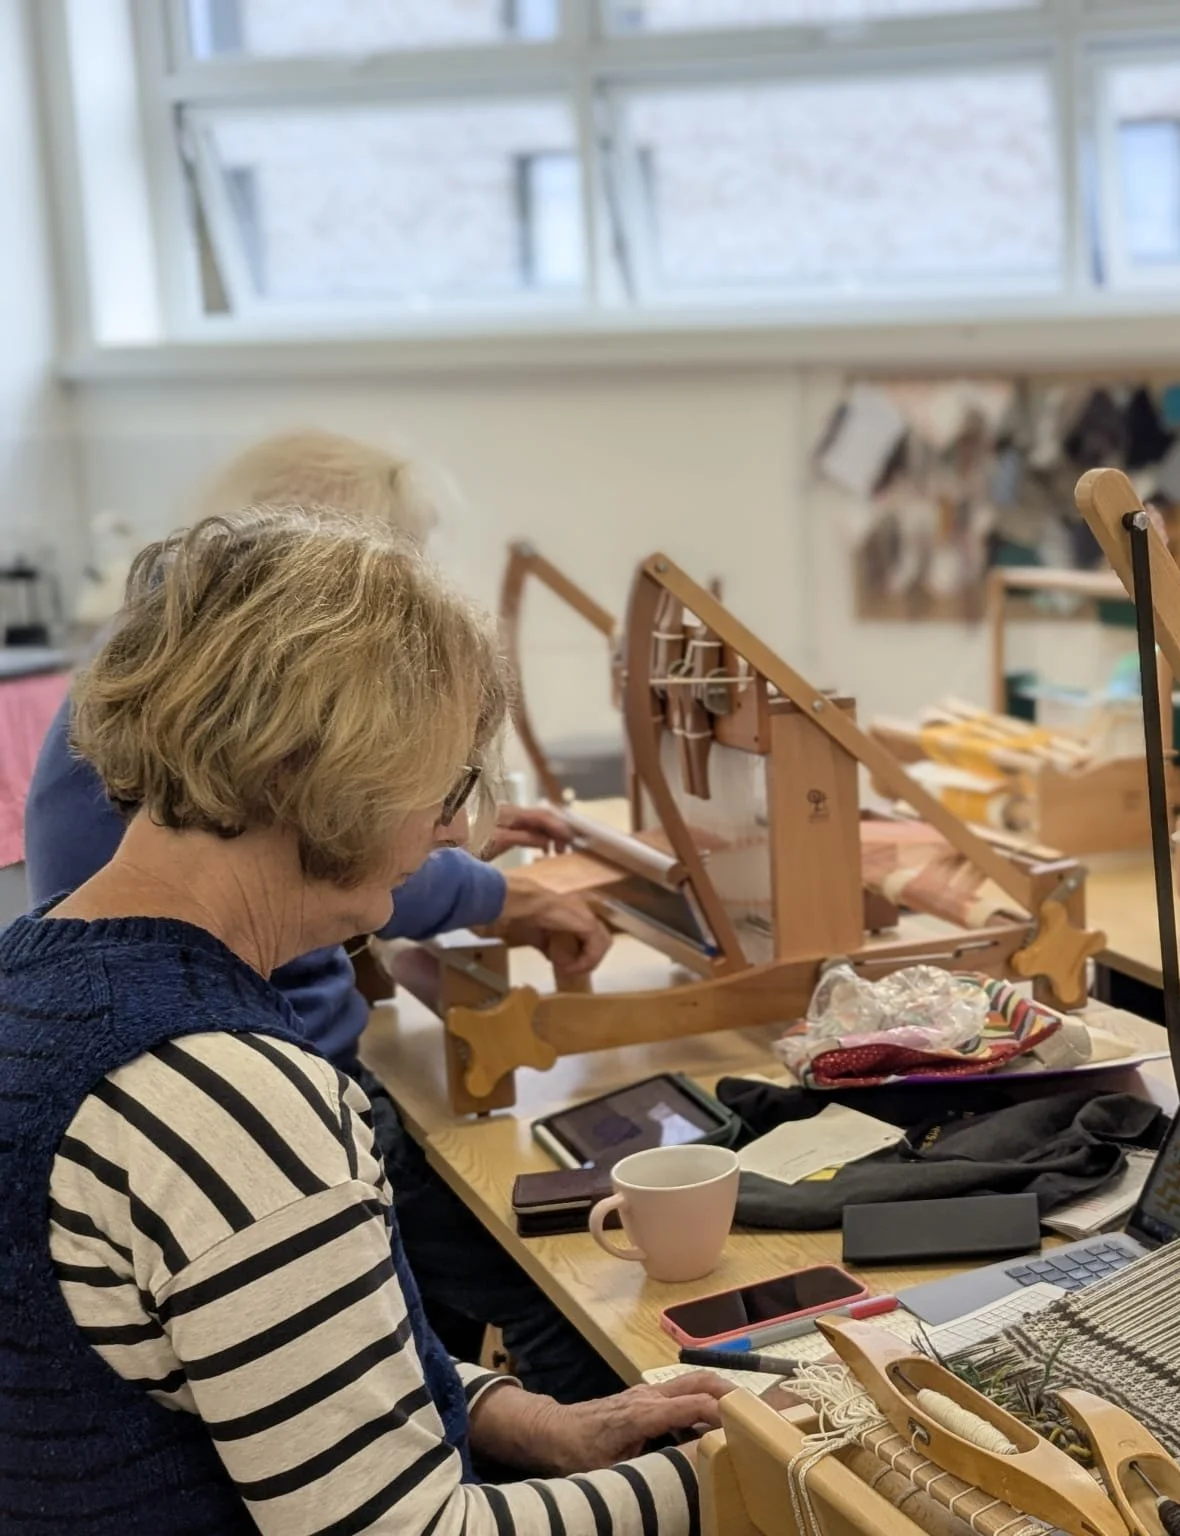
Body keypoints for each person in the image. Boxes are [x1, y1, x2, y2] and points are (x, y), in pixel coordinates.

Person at [2, 509, 732, 1532]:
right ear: (309, 770)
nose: (444, 827)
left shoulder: (32, 980)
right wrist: (758, 1472)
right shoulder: (222, 1097)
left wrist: (532, 1423)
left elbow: (274, 1381)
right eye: (436, 783)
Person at [25, 430, 625, 1403]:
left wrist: (441, 833)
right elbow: (347, 856)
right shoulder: (242, 1095)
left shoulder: (160, 681)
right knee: (546, 1279)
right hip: (272, 1077)